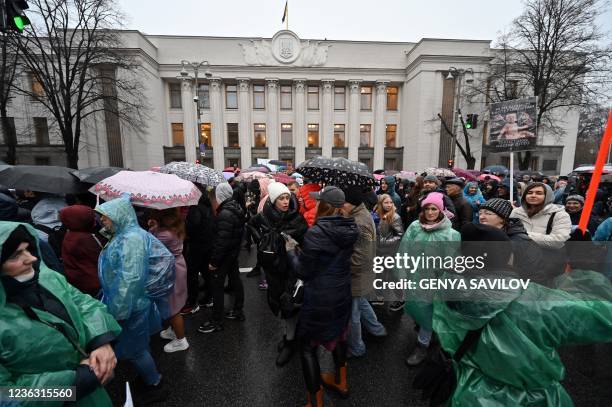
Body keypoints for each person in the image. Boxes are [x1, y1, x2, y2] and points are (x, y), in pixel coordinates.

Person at [434, 223, 612, 406]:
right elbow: (602, 317)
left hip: (467, 393)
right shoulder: (536, 304)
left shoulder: (447, 288)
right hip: (528, 399)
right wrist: (583, 260)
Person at [0, 222, 121, 406]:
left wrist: (100, 341)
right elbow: (6, 396)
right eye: (16, 255)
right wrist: (75, 383)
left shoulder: (46, 277)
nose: (31, 258)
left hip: (93, 393)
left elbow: (83, 303)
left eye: (28, 249)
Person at [285, 186, 359, 407]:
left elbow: (303, 271)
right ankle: (340, 382)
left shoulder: (316, 232)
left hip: (320, 298)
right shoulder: (350, 227)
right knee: (340, 335)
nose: (315, 203)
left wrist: (291, 252)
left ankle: (315, 402)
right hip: (342, 293)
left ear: (324, 206)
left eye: (319, 201)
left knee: (307, 347)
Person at [96, 195, 169, 404]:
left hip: (129, 305)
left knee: (135, 350)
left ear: (119, 216)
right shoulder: (125, 235)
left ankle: (154, 383)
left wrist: (118, 311)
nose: (102, 220)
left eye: (106, 217)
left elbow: (131, 277)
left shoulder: (131, 240)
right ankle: (150, 377)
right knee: (139, 345)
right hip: (131, 303)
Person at [247, 182, 308, 366]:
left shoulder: (297, 220)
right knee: (279, 306)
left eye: (287, 197)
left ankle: (291, 342)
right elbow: (251, 224)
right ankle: (288, 336)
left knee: (289, 305)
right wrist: (261, 241)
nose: (285, 201)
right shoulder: (265, 216)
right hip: (272, 271)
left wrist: (295, 250)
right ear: (273, 200)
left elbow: (306, 247)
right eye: (281, 198)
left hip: (292, 271)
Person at [397, 192, 460, 366]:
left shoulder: (451, 234)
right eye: (427, 209)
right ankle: (428, 332)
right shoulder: (415, 227)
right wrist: (401, 274)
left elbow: (451, 263)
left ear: (441, 210)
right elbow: (404, 251)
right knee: (415, 309)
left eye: (434, 209)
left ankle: (421, 346)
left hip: (433, 282)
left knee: (428, 313)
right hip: (413, 278)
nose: (430, 212)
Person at [343, 186, 387, 358]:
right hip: (364, 273)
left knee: (353, 314)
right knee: (361, 302)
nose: (341, 206)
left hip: (358, 274)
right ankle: (377, 329)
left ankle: (356, 347)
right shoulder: (359, 214)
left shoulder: (359, 222)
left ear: (351, 203)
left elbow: (361, 256)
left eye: (343, 203)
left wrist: (343, 264)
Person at [198, 183, 245, 334]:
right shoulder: (235, 207)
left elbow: (221, 241)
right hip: (232, 253)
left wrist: (214, 262)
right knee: (236, 280)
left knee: (217, 286)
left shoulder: (225, 213)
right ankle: (238, 311)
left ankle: (216, 321)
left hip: (225, 256)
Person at [510, 182, 571, 284]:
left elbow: (558, 241)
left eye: (539, 193)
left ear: (547, 196)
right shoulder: (516, 212)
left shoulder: (559, 215)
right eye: (530, 192)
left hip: (546, 265)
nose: (533, 195)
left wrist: (523, 236)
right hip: (519, 262)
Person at [148, 208, 190, 353]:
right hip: (177, 265)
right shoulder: (176, 226)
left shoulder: (165, 234)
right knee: (174, 302)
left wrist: (151, 228)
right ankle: (173, 331)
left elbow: (148, 245)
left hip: (171, 269)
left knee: (173, 308)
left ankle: (181, 340)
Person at [478, 198, 544, 280]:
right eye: (479, 213)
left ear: (503, 218)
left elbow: (532, 274)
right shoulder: (481, 236)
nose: (481, 217)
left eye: (488, 213)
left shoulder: (521, 242)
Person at [182, 185, 215, 315]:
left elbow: (193, 226)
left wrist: (185, 224)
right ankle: (209, 297)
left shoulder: (195, 208)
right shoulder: (208, 205)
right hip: (208, 243)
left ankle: (192, 302)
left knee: (192, 273)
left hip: (197, 245)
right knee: (206, 272)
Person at [59, 205, 103, 297]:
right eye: (91, 218)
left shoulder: (69, 233)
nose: (95, 221)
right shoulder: (85, 239)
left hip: (77, 281)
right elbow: (101, 258)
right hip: (94, 283)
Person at [373, 193, 405, 311]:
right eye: (386, 202)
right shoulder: (378, 214)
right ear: (380, 204)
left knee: (392, 276)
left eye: (390, 202)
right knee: (378, 274)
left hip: (390, 252)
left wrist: (384, 242)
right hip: (379, 250)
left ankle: (400, 298)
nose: (389, 204)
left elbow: (400, 235)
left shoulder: (395, 217)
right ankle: (379, 297)